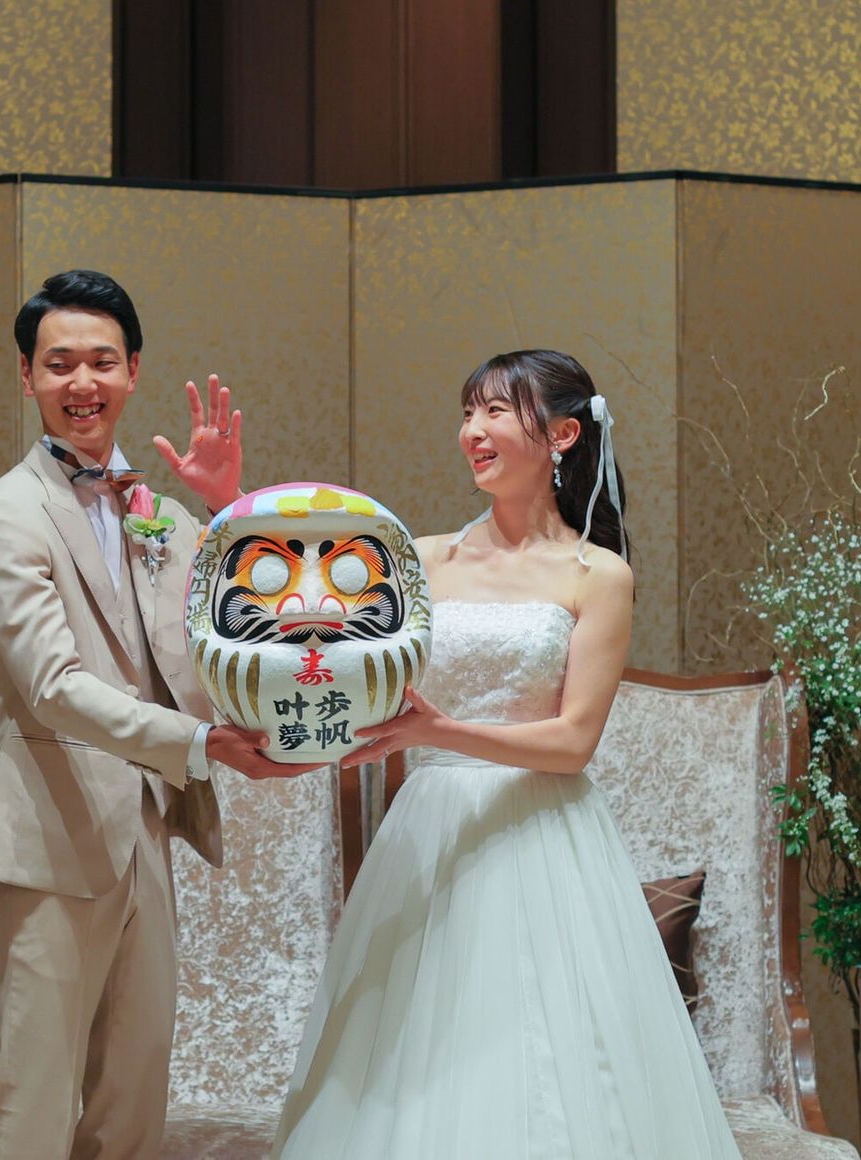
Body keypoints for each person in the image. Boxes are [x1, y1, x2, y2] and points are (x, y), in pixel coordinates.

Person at [271, 350, 740, 1158]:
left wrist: (437, 732)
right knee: (414, 1056)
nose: (472, 431)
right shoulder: (420, 560)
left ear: (562, 434)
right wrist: (228, 502)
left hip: (542, 838)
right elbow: (307, 630)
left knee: (547, 1062)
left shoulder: (599, 575)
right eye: (468, 412)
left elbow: (573, 742)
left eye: (495, 411)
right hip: (429, 835)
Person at [0, 269, 314, 1160]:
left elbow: (252, 626)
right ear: (27, 377)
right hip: (49, 844)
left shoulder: (161, 514)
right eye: (60, 364)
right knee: (35, 1109)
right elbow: (52, 684)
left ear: (134, 371)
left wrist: (227, 505)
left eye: (102, 362)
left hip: (148, 833)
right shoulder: (2, 516)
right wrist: (199, 742)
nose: (82, 382)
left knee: (131, 1107)